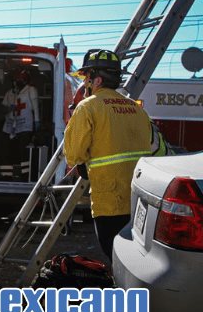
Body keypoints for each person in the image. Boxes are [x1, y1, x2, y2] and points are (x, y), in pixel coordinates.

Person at [64, 49, 153, 260]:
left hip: (109, 201)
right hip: (139, 202)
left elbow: (73, 154)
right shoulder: (138, 109)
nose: (85, 82)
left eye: (86, 77)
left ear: (97, 79)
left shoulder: (87, 107)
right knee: (136, 262)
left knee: (116, 259)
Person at [2, 69, 40, 166]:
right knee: (9, 151)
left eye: (19, 80)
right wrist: (9, 109)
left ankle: (24, 175)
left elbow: (35, 108)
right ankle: (8, 174)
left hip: (25, 126)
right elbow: (2, 109)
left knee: (23, 152)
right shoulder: (10, 93)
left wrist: (37, 121)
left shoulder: (31, 90)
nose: (17, 82)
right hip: (11, 126)